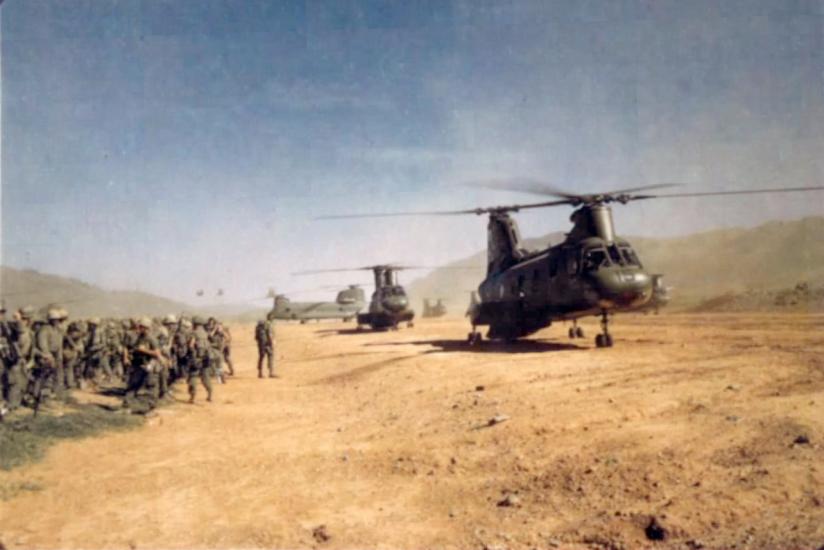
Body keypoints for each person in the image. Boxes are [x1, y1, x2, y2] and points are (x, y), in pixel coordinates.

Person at [186, 316, 213, 403]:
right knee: (206, 377)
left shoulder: (194, 333)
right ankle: (210, 395)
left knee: (193, 377)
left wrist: (191, 353)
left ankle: (192, 397)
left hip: (196, 359)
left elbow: (191, 345)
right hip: (205, 358)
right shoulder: (205, 333)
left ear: (195, 324)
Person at [255, 312, 277, 378]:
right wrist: (272, 343)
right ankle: (271, 373)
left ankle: (260, 373)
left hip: (261, 343)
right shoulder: (269, 324)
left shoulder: (260, 325)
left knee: (261, 357)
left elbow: (256, 337)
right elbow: (269, 334)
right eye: (273, 317)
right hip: (267, 343)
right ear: (271, 317)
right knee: (270, 356)